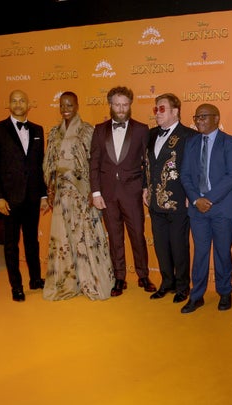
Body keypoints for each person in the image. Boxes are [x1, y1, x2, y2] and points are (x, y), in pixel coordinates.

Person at [42, 91, 114, 301]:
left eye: (70, 105)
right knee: (64, 238)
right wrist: (51, 187)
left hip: (82, 193)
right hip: (61, 195)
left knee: (86, 237)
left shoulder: (87, 131)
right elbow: (49, 164)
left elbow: (95, 162)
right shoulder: (54, 132)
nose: (65, 109)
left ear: (77, 106)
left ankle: (92, 281)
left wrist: (94, 191)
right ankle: (66, 282)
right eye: (62, 105)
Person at [89, 86, 156, 296]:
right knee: (115, 237)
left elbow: (148, 163)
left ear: (130, 105)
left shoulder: (141, 129)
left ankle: (143, 275)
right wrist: (96, 193)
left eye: (125, 104)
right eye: (117, 104)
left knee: (137, 234)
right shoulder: (99, 129)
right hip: (107, 194)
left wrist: (146, 187)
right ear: (110, 105)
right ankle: (119, 278)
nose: (121, 108)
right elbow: (94, 163)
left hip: (133, 192)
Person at [0, 89, 49, 302]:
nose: (19, 103)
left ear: (28, 104)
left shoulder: (38, 130)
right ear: (9, 104)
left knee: (32, 241)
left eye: (22, 100)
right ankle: (17, 287)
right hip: (9, 199)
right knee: (11, 244)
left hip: (32, 197)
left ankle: (35, 279)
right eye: (14, 100)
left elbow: (40, 167)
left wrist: (43, 195)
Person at [179, 104, 232, 314]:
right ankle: (196, 296)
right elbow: (185, 175)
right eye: (197, 117)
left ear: (216, 118)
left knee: (223, 252)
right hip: (198, 210)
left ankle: (225, 292)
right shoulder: (191, 143)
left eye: (204, 117)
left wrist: (209, 199)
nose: (199, 121)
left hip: (222, 209)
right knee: (200, 253)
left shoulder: (230, 142)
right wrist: (197, 200)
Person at [144, 93, 197, 304]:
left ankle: (183, 286)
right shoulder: (150, 135)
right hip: (155, 202)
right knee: (160, 245)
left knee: (179, 245)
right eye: (156, 109)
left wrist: (190, 196)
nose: (157, 113)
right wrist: (143, 188)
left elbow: (195, 170)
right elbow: (145, 165)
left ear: (175, 111)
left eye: (162, 109)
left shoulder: (188, 136)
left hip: (178, 200)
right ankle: (167, 282)